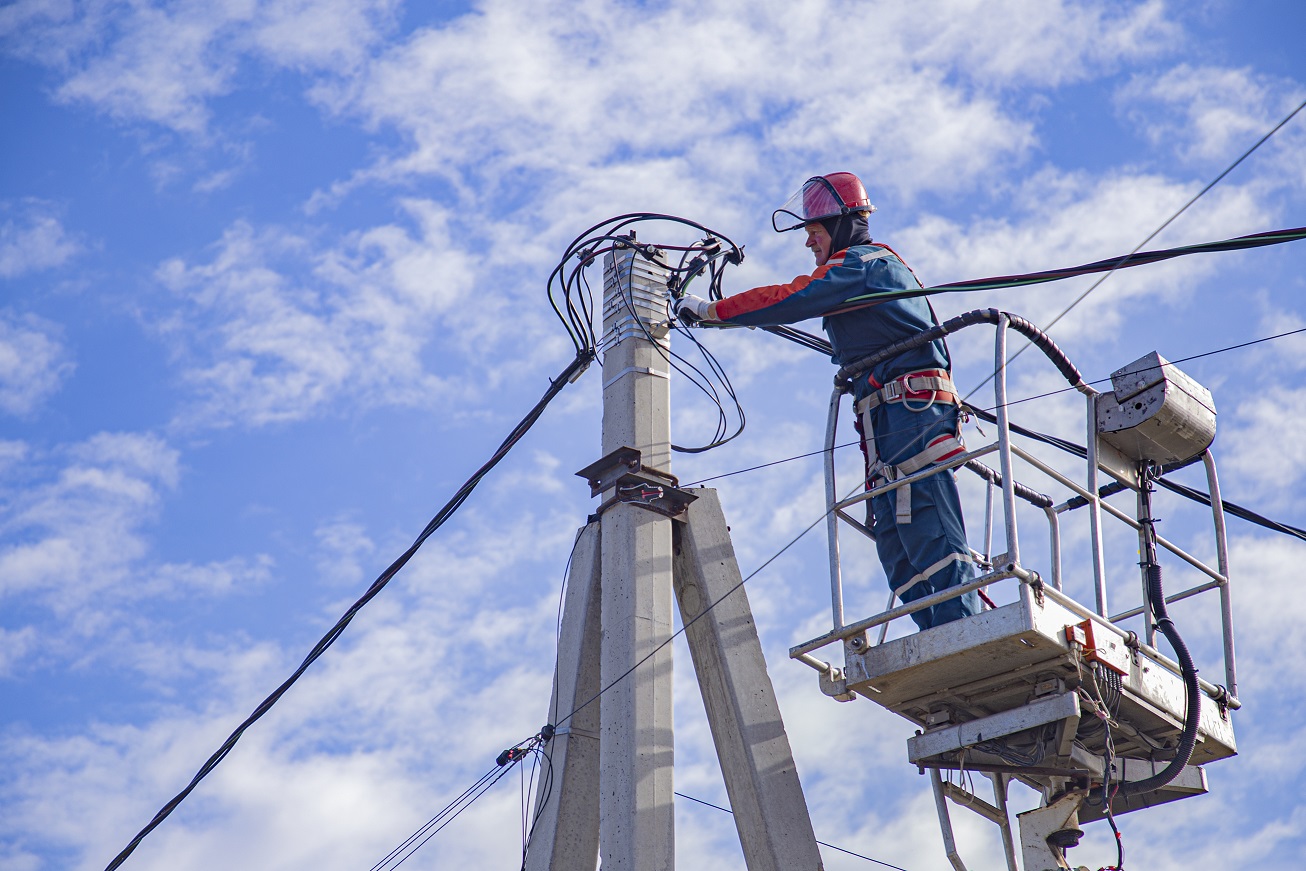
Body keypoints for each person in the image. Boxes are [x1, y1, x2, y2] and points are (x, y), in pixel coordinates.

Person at [674, 172, 979, 630]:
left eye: (813, 232)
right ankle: (942, 634)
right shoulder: (857, 276)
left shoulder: (865, 265)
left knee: (928, 527)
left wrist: (710, 311)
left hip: (912, 414)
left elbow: (796, 296)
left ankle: (966, 632)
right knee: (895, 543)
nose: (808, 243)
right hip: (885, 423)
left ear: (841, 225)